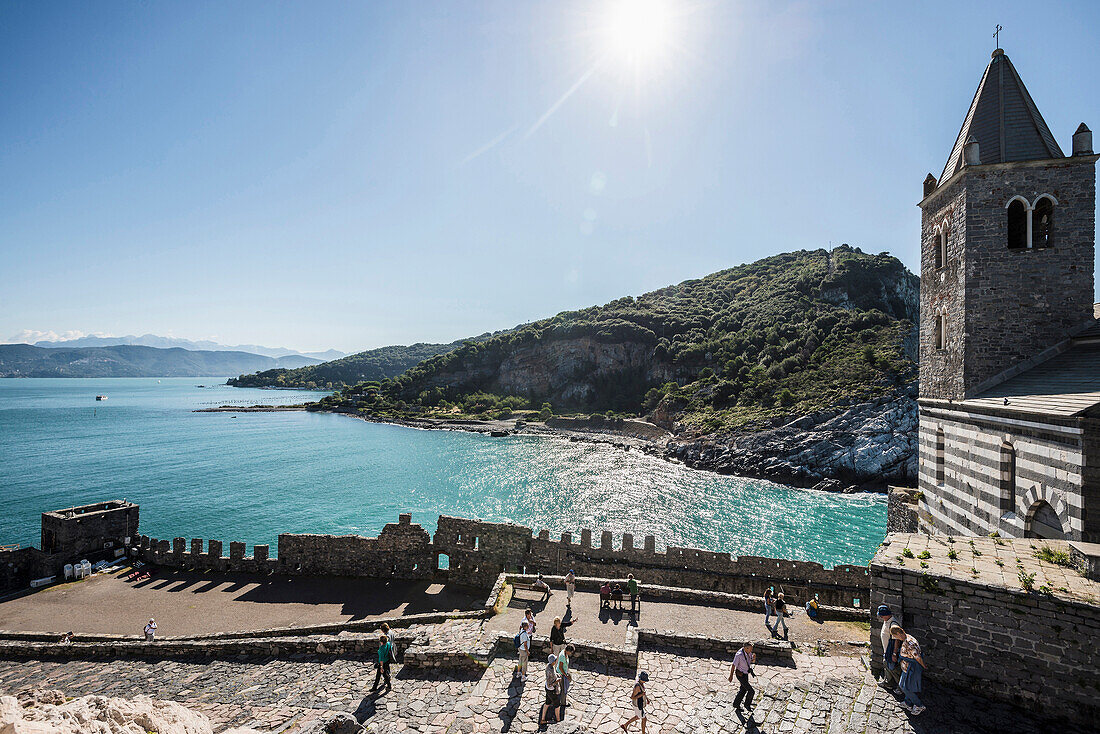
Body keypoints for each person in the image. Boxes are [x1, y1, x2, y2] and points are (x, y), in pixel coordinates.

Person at [892, 626, 926, 715]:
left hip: (911, 668)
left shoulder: (910, 643)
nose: (896, 639)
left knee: (904, 687)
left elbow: (917, 657)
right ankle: (908, 703)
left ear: (899, 633)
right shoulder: (907, 637)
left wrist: (923, 666)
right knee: (905, 685)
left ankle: (919, 705)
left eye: (896, 636)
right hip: (906, 667)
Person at [877, 605, 902, 691]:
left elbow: (897, 640)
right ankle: (888, 683)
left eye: (882, 615)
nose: (881, 617)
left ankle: (901, 687)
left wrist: (894, 654)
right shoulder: (887, 620)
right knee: (886, 666)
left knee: (893, 669)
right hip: (887, 650)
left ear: (886, 615)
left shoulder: (893, 624)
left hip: (891, 651)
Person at [729, 642, 757, 712]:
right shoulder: (739, 655)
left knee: (743, 690)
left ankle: (736, 704)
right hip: (740, 675)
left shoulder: (749, 652)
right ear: (745, 648)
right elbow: (733, 665)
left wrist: (754, 659)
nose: (752, 650)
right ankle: (747, 705)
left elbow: (750, 661)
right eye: (750, 648)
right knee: (751, 691)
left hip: (745, 673)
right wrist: (731, 676)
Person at [539, 653, 561, 725]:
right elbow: (550, 683)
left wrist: (557, 675)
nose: (556, 660)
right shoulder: (550, 670)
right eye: (555, 660)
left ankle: (543, 719)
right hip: (551, 690)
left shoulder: (549, 666)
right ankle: (558, 720)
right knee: (557, 705)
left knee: (547, 703)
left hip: (547, 689)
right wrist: (557, 681)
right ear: (553, 661)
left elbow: (553, 676)